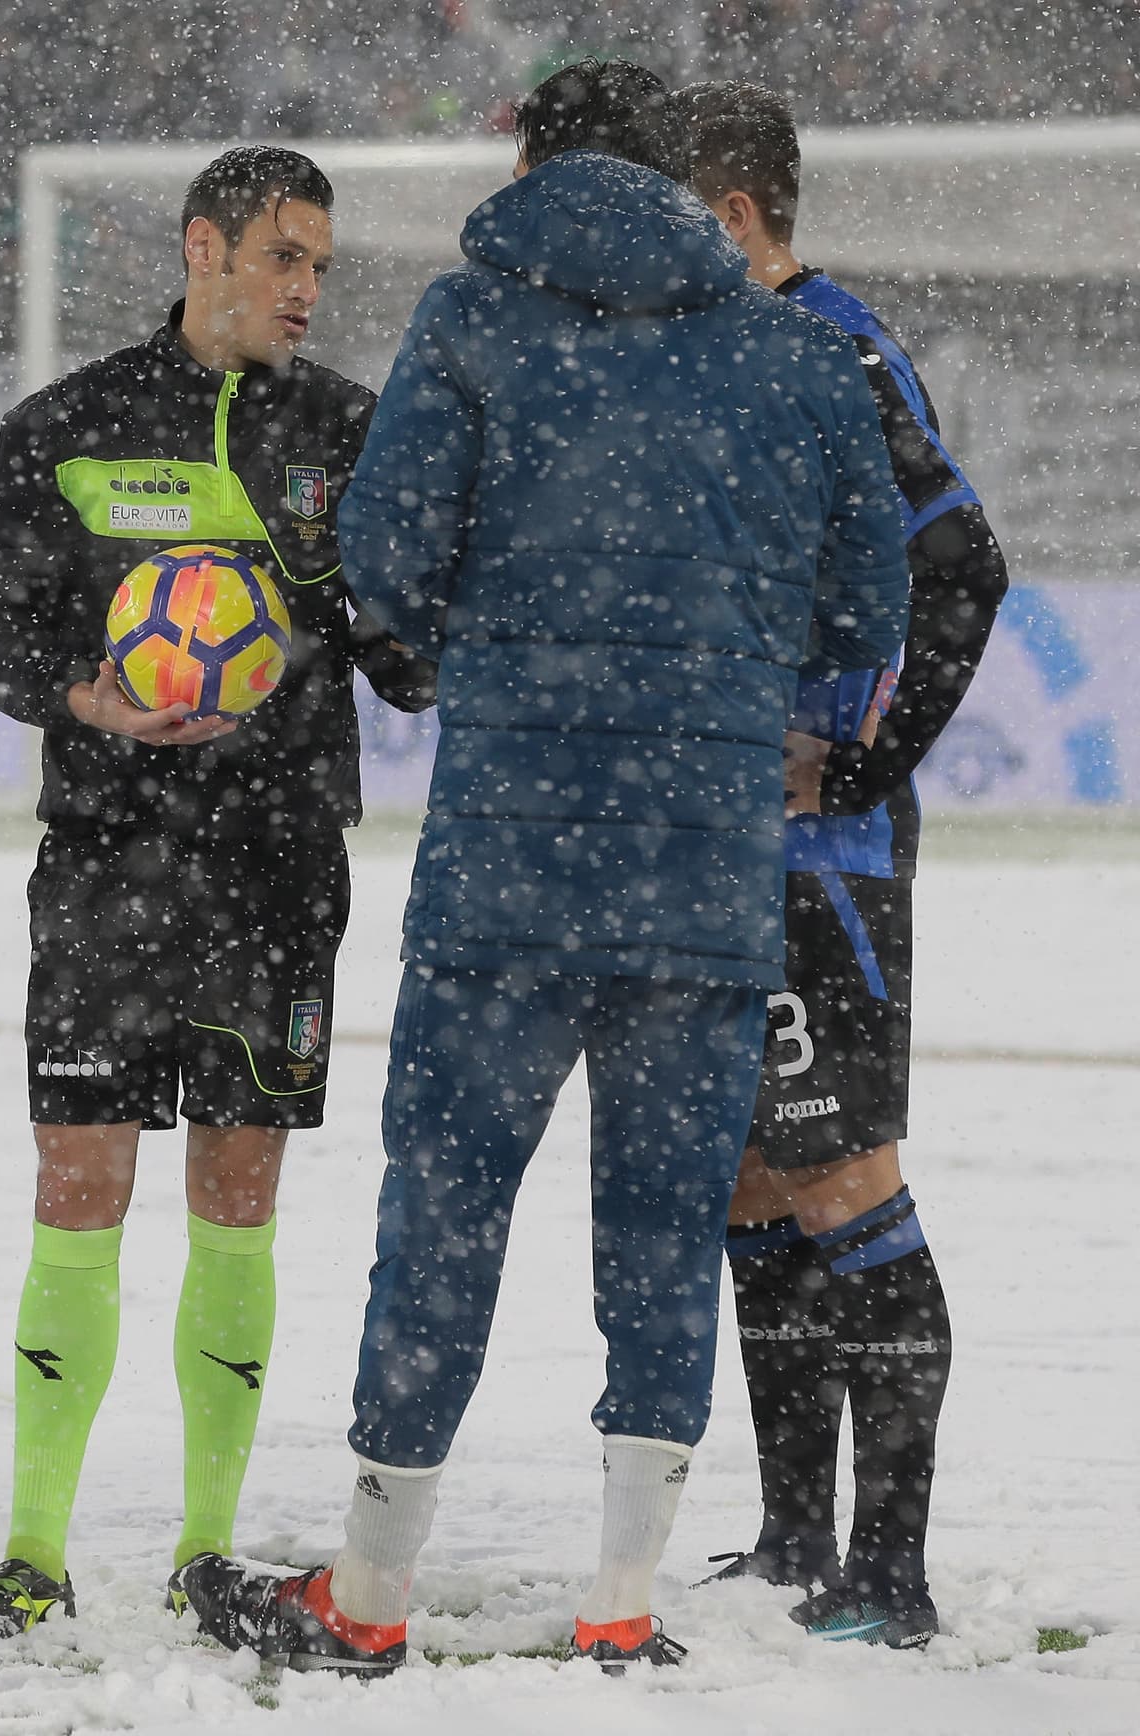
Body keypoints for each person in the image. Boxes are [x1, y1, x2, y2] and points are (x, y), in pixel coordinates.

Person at [171, 58, 909, 1676]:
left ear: (533, 161)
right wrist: (724, 669)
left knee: (442, 1216)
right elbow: (872, 605)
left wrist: (495, 650)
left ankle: (365, 1596)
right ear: (675, 174)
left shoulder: (475, 318)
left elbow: (379, 555)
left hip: (506, 862)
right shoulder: (794, 351)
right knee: (664, 1231)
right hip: (707, 867)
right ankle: (622, 1599)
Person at [0, 145, 436, 1644]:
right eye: (285, 257)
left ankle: (205, 1546)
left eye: (323, 268)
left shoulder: (351, 434)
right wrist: (92, 703)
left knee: (239, 1197)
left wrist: (350, 589)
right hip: (108, 861)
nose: (306, 290)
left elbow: (413, 666)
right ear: (204, 248)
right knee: (78, 1182)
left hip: (283, 864)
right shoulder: (68, 425)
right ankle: (35, 1545)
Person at [682, 79, 1010, 1648]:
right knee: (755, 1180)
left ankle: (897, 1574)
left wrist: (869, 761)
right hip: (743, 847)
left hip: (828, 857)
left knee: (846, 1180)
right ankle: (794, 1539)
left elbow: (966, 558)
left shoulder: (829, 343)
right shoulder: (734, 352)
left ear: (733, 217)